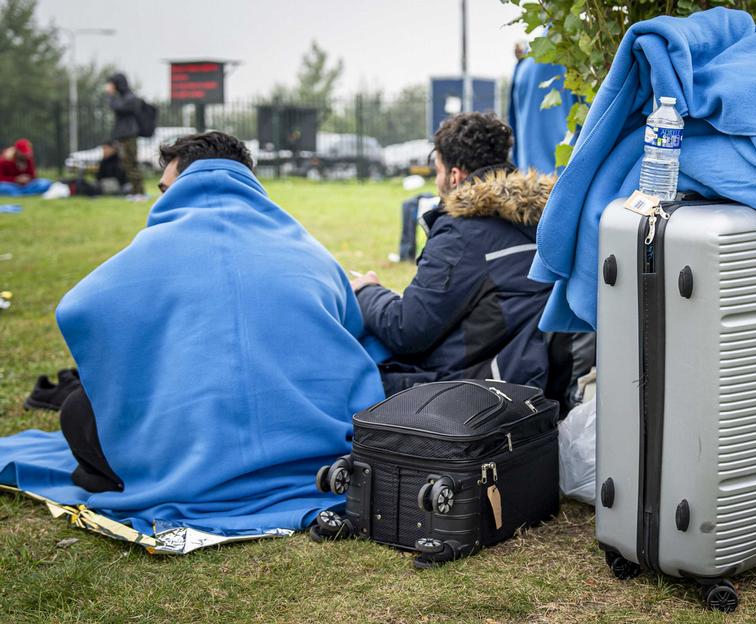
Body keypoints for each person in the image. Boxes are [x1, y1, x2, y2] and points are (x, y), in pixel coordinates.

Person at [0, 131, 385, 536]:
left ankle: (126, 471)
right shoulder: (310, 251)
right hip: (313, 456)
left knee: (77, 408)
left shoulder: (149, 253)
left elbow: (77, 310)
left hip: (182, 451)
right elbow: (351, 328)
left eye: (165, 189)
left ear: (184, 185)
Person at [352, 113, 555, 395]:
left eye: (438, 172)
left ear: (456, 176)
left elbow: (407, 330)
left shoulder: (463, 230)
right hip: (523, 375)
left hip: (472, 393)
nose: (437, 183)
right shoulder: (540, 220)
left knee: (348, 371)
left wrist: (368, 290)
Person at [508, 43, 576, 175]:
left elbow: (514, 129)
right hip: (566, 178)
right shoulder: (575, 63)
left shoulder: (524, 66)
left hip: (528, 178)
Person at [105, 73, 145, 198]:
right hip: (124, 136)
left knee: (131, 163)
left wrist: (110, 95)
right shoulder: (123, 97)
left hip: (129, 136)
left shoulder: (130, 98)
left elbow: (117, 107)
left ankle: (139, 192)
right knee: (127, 164)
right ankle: (135, 191)